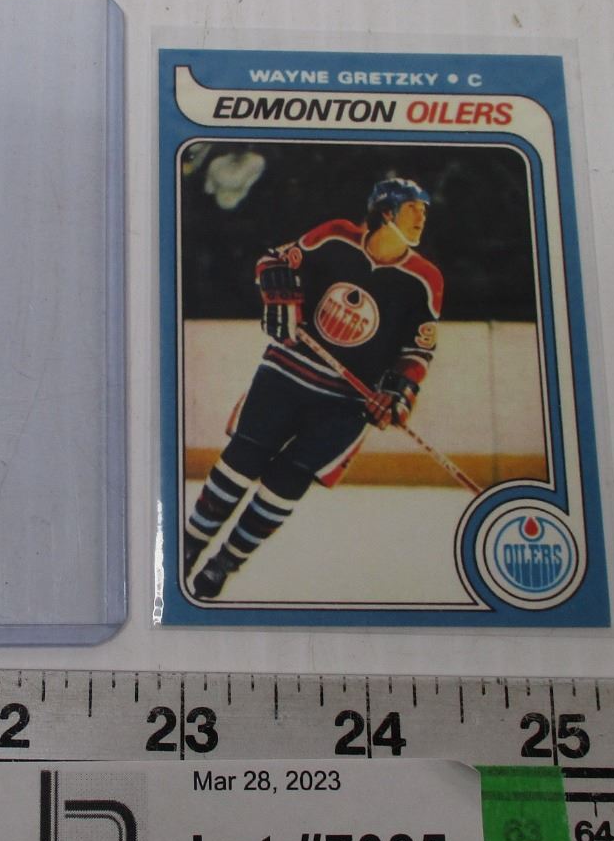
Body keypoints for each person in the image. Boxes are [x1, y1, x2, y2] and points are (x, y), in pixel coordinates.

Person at [183, 177, 445, 599]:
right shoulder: (336, 236)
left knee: (288, 481)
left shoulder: (425, 279)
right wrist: (279, 296)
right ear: (386, 212)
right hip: (286, 373)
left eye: (425, 212)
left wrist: (398, 393)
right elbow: (275, 261)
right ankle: (190, 544)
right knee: (243, 458)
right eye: (414, 209)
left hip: (347, 404)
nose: (422, 218)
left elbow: (418, 350)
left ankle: (225, 562)